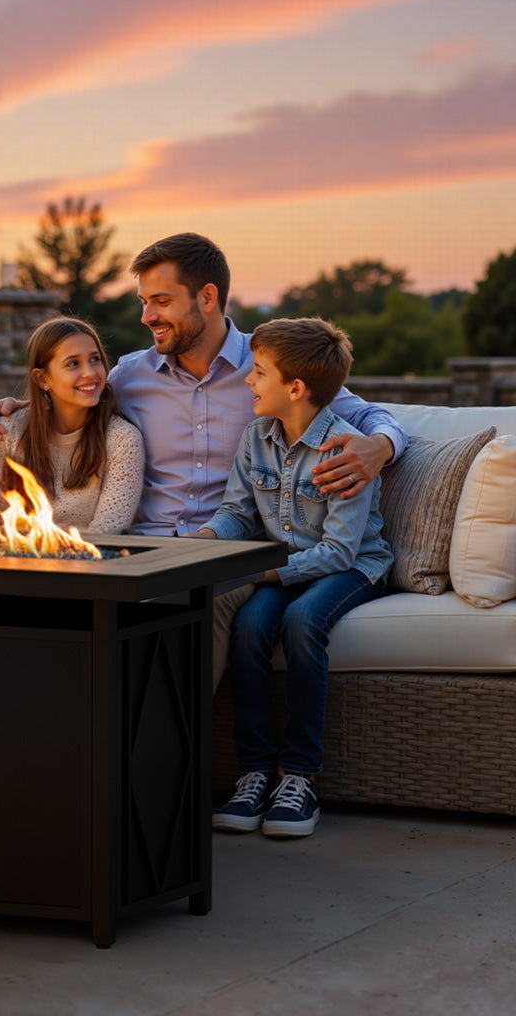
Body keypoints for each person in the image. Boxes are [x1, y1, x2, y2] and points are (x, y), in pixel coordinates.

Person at [0, 233, 407, 686]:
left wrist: (381, 446)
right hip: (144, 552)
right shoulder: (130, 375)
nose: (147, 317)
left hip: (222, 556)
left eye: (160, 301)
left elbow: (370, 415)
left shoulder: (270, 371)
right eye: (143, 302)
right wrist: (6, 409)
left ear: (207, 297)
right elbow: (71, 398)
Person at [196, 318, 392, 838]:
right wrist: (202, 545)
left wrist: (259, 572)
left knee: (304, 622)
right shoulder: (254, 438)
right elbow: (237, 513)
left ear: (296, 389)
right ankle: (255, 772)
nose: (248, 381)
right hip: (286, 564)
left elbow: (337, 551)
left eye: (259, 372)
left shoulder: (346, 450)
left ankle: (299, 777)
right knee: (249, 627)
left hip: (352, 566)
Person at [0, 316, 144, 534]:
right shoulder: (6, 432)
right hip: (15, 560)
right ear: (42, 380)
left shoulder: (123, 440)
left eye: (95, 359)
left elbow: (108, 530)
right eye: (73, 363)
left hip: (92, 561)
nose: (90, 372)